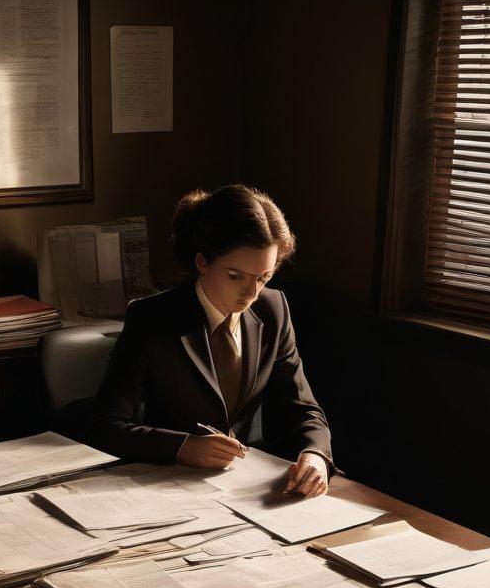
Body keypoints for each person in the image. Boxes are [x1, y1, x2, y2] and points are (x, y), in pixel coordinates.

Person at [87, 184, 333, 496]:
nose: (252, 292)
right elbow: (105, 426)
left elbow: (302, 406)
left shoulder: (273, 309)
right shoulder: (152, 319)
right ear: (202, 263)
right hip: (164, 485)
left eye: (263, 277)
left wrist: (315, 455)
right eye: (236, 276)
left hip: (243, 485)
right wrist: (183, 447)